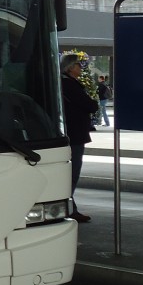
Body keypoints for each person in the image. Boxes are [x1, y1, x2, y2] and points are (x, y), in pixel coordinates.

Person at [60, 53, 98, 222]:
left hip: (72, 133)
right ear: (69, 68)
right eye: (77, 65)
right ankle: (69, 208)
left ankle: (70, 207)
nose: (80, 67)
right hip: (74, 134)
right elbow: (89, 105)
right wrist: (93, 103)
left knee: (71, 173)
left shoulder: (66, 83)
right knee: (73, 173)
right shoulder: (69, 84)